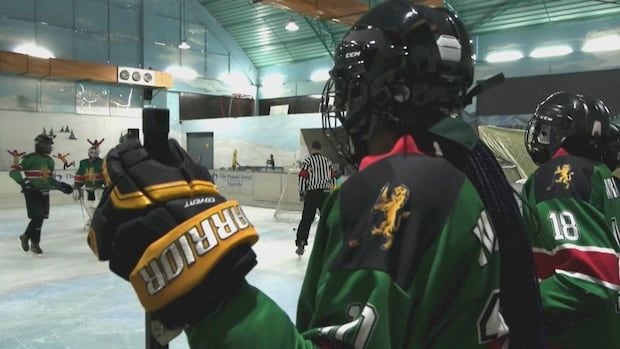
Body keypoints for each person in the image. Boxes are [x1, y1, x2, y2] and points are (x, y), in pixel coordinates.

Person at [87, 1, 543, 348]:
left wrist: (211, 295)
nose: (343, 98)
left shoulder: (399, 191)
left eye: (351, 82)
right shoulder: (472, 166)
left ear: (384, 90)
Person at [522, 92, 620, 348]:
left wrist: (516, 301)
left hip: (575, 335)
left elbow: (590, 278)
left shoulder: (560, 175)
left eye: (546, 131)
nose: (540, 138)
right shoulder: (602, 175)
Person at [9, 134, 73, 254]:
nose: (50, 147)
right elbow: (14, 171)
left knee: (40, 219)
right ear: (42, 145)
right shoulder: (29, 159)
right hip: (32, 193)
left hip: (44, 192)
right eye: (49, 144)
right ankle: (26, 237)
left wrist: (61, 186)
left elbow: (49, 179)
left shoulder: (50, 161)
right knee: (37, 217)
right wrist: (25, 183)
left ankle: (35, 244)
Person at [294, 141, 335, 256]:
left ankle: (301, 244)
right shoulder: (327, 162)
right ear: (320, 149)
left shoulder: (308, 161)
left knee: (307, 218)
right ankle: (328, 243)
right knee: (326, 218)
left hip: (312, 192)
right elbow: (332, 177)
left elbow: (302, 177)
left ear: (312, 149)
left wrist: (302, 193)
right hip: (326, 192)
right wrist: (331, 191)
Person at [74, 139, 105, 229]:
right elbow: (80, 175)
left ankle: (97, 220)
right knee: (88, 205)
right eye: (91, 152)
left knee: (97, 205)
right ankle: (92, 219)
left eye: (95, 152)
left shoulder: (102, 162)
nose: (93, 154)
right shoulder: (83, 163)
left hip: (99, 188)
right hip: (87, 188)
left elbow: (106, 175)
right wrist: (77, 187)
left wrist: (108, 185)